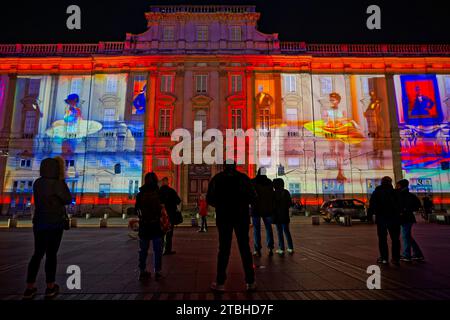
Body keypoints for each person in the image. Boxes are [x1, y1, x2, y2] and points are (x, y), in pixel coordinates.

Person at [23, 158, 72, 300]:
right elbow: (67, 199)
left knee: (37, 254)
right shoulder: (58, 183)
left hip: (39, 222)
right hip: (55, 223)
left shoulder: (38, 183)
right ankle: (50, 287)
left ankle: (29, 288)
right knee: (51, 255)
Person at [207, 161, 257, 292]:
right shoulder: (244, 178)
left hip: (224, 217)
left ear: (224, 167)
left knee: (223, 249)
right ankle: (250, 282)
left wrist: (220, 205)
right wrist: (243, 204)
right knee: (245, 248)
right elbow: (253, 196)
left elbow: (209, 198)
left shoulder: (217, 179)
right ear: (235, 167)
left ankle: (220, 283)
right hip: (241, 217)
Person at [135, 172, 164, 281]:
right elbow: (161, 208)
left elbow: (136, 209)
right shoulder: (158, 193)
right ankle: (158, 271)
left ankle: (142, 271)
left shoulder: (140, 194)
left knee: (143, 250)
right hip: (155, 224)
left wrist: (142, 217)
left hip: (144, 225)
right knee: (157, 249)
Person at [368, 176, 401, 266]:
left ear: (382, 182)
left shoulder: (377, 192)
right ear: (390, 182)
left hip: (381, 218)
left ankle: (384, 258)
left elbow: (372, 206)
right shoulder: (395, 192)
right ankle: (396, 258)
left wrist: (370, 217)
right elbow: (400, 205)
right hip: (394, 219)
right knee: (395, 239)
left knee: (382, 239)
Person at [396, 179, 425, 262]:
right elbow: (417, 205)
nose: (396, 186)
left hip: (406, 218)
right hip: (408, 218)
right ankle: (418, 254)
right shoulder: (409, 195)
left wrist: (405, 210)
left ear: (400, 185)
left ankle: (407, 255)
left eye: (397, 185)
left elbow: (415, 205)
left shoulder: (402, 195)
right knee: (408, 236)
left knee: (405, 236)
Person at [251, 168, 274, 257]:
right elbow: (272, 195)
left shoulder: (253, 181)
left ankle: (257, 249)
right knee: (268, 228)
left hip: (256, 209)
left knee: (256, 229)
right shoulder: (269, 182)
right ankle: (270, 247)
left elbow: (251, 194)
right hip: (267, 209)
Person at [159, 177, 181, 255]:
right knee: (169, 233)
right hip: (170, 215)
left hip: (160, 216)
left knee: (160, 233)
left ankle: (160, 249)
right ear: (168, 182)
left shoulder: (158, 192)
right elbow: (178, 201)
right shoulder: (171, 191)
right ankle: (168, 249)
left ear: (161, 183)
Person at [272, 178, 294, 255]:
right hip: (285, 214)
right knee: (287, 231)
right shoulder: (286, 192)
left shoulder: (273, 193)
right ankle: (290, 248)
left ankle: (281, 248)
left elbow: (272, 205)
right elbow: (289, 204)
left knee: (279, 232)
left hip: (277, 216)